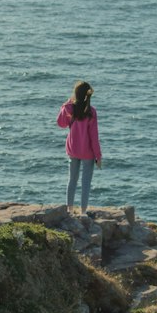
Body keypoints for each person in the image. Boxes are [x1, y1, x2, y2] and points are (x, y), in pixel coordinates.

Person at [57, 80, 102, 215]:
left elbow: (61, 123)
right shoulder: (91, 112)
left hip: (73, 150)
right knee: (86, 182)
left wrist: (64, 105)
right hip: (87, 152)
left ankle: (69, 210)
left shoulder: (70, 108)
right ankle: (83, 212)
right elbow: (94, 137)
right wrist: (98, 156)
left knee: (72, 180)